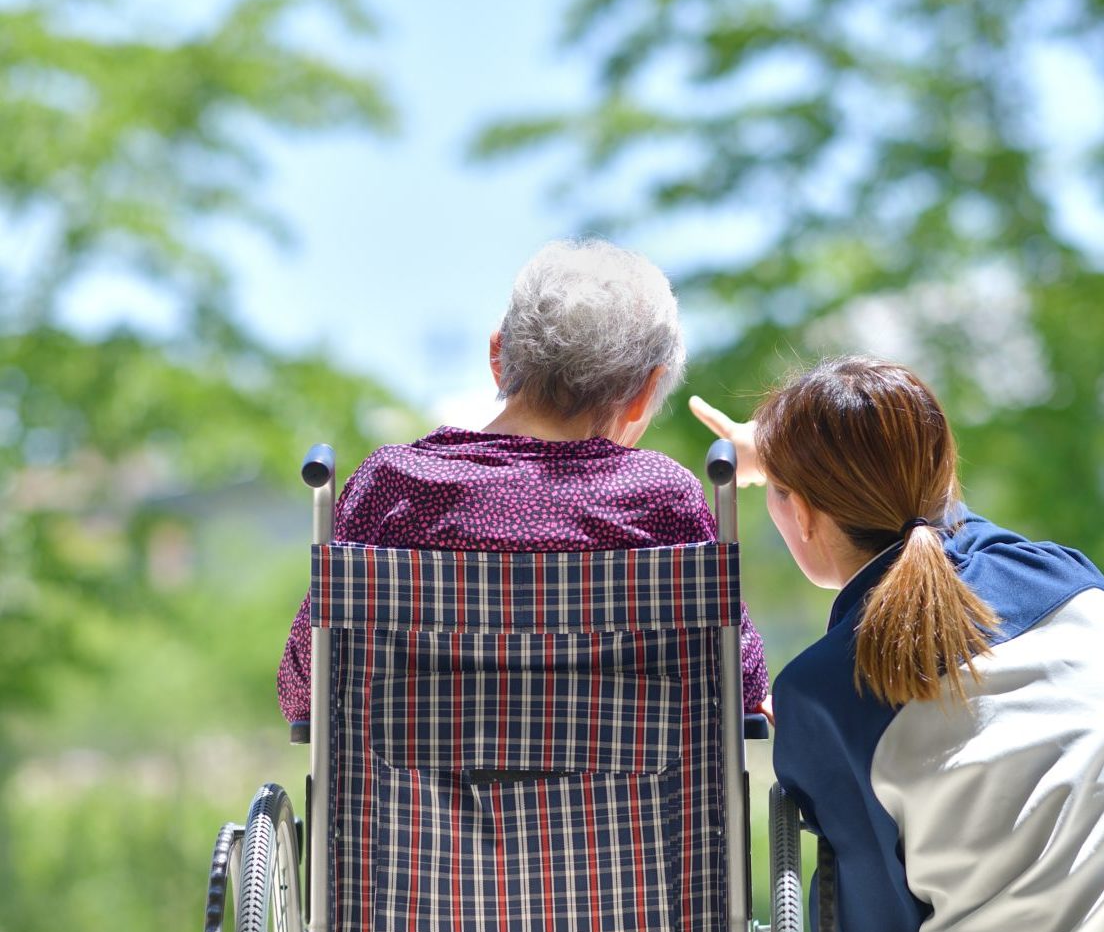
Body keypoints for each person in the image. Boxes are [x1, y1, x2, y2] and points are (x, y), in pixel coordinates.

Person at [689, 357, 1104, 932]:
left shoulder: (824, 696)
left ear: (805, 515)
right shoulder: (1069, 579)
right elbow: (939, 519)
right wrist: (795, 460)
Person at [277, 238, 769, 722]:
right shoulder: (662, 497)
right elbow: (741, 682)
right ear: (643, 393)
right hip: (627, 803)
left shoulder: (391, 486)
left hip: (411, 803)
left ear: (498, 356)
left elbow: (304, 690)